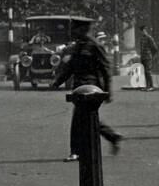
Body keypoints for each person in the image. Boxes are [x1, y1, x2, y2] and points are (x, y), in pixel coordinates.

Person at [51, 15, 123, 158]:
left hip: (92, 88)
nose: (73, 31)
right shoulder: (78, 46)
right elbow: (70, 67)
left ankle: (76, 151)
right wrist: (58, 81)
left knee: (78, 119)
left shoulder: (95, 46)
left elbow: (105, 69)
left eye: (75, 28)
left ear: (83, 29)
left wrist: (108, 91)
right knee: (87, 118)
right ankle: (112, 136)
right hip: (79, 87)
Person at [137, 23, 159, 91]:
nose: (142, 32)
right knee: (145, 72)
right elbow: (141, 48)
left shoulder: (149, 38)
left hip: (148, 57)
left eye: (143, 30)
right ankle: (147, 86)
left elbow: (155, 48)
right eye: (141, 31)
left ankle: (151, 86)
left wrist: (152, 55)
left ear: (145, 30)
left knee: (148, 71)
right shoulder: (141, 38)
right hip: (143, 57)